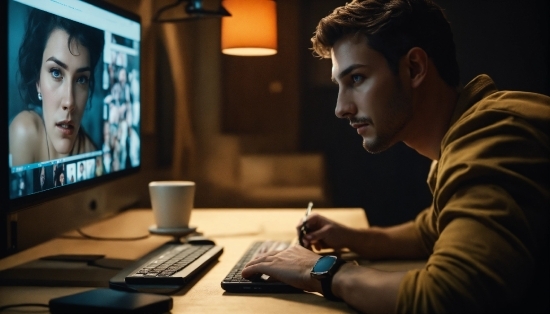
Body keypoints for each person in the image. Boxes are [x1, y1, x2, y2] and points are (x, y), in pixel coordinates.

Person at [242, 0, 549, 312]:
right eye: (339, 84)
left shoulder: (492, 138)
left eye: (357, 79)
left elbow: (447, 296)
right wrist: (352, 237)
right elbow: (431, 230)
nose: (341, 108)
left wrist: (320, 271)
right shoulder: (469, 133)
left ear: (414, 68)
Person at [9, 9, 104, 166]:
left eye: (81, 79)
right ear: (37, 81)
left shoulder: (92, 155)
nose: (69, 102)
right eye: (55, 72)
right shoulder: (24, 133)